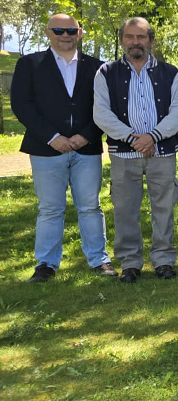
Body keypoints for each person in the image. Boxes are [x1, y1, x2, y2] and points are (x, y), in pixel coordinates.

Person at [11, 14, 113, 281]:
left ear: (80, 32)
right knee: (50, 208)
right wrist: (51, 136)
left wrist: (88, 135)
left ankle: (99, 260)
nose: (65, 35)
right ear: (48, 32)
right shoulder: (30, 64)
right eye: (58, 30)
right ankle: (46, 265)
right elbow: (22, 105)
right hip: (46, 149)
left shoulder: (98, 67)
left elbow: (105, 107)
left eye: (71, 30)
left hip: (86, 149)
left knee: (91, 206)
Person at [92, 17, 178, 282]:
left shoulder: (170, 72)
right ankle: (130, 262)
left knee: (164, 208)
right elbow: (101, 113)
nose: (136, 42)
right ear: (122, 40)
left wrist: (153, 137)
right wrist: (135, 138)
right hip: (124, 154)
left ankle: (164, 260)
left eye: (141, 37)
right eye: (130, 37)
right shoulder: (107, 72)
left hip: (162, 153)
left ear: (151, 40)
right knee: (124, 209)